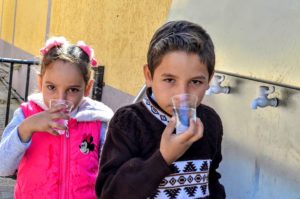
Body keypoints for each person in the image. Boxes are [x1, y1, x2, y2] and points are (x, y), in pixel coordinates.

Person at [95, 20, 226, 199]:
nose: (182, 94)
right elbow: (110, 193)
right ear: (149, 76)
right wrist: (163, 158)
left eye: (195, 82)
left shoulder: (210, 122)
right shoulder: (129, 122)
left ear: (209, 79)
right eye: (170, 80)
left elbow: (211, 178)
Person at [0, 36, 113, 199]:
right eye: (51, 87)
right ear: (40, 83)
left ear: (87, 88)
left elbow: (111, 173)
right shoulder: (26, 114)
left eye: (73, 89)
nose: (61, 98)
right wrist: (26, 128)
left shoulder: (97, 121)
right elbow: (3, 168)